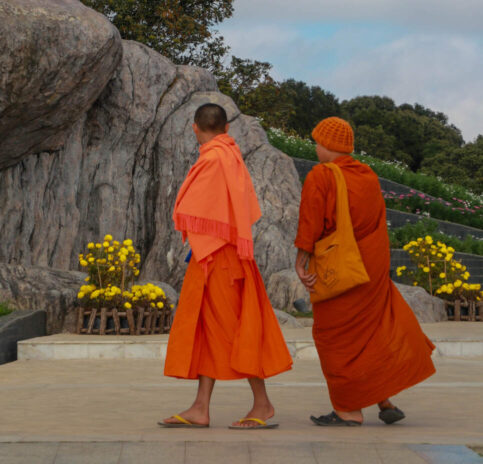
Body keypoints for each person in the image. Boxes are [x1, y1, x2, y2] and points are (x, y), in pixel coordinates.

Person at [295, 116, 436, 427]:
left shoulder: (322, 176)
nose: (315, 148)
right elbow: (377, 225)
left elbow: (311, 222)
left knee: (334, 337)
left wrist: (301, 259)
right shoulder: (368, 176)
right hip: (370, 267)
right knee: (372, 335)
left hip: (340, 271)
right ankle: (383, 399)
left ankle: (349, 410)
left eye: (317, 142)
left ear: (328, 146)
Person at [161, 102, 292, 430]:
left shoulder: (213, 159)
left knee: (235, 328)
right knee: (209, 330)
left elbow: (195, 208)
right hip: (220, 257)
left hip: (220, 259)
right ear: (227, 128)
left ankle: (262, 404)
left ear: (195, 128)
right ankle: (200, 407)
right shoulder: (231, 156)